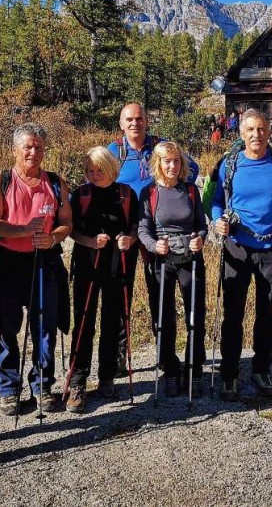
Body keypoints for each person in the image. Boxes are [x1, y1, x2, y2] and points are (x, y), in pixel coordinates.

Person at [0, 124, 71, 417]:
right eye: (28, 147)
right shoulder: (0, 180)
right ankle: (9, 389)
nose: (34, 152)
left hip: (44, 260)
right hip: (6, 261)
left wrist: (53, 237)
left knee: (45, 325)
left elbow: (65, 223)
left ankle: (43, 386)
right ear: (15, 150)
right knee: (5, 327)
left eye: (39, 147)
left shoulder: (56, 183)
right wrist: (23, 231)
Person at [211, 109, 272, 400]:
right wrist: (218, 220)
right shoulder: (229, 164)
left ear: (269, 131)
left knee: (266, 312)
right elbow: (213, 200)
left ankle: (261, 370)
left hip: (271, 247)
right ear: (241, 133)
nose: (256, 135)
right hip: (236, 245)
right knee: (233, 314)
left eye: (261, 129)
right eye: (250, 130)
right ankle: (230, 375)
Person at [106, 103, 198, 374]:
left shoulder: (161, 147)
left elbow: (192, 169)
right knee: (121, 296)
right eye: (130, 120)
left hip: (157, 233)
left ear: (147, 121)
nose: (135, 123)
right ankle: (119, 356)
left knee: (159, 296)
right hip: (125, 233)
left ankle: (164, 356)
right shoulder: (115, 152)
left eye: (140, 118)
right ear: (121, 124)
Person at [65, 146, 140, 413]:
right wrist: (89, 241)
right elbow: (70, 230)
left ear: (111, 169)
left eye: (99, 170)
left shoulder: (126, 194)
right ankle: (77, 381)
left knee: (113, 318)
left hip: (118, 264)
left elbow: (135, 225)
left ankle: (106, 377)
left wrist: (129, 238)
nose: (94, 175)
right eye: (89, 170)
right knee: (84, 320)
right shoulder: (80, 195)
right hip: (87, 262)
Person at [138, 142, 208, 397]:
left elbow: (201, 223)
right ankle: (170, 368)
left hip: (191, 258)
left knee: (195, 315)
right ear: (158, 163)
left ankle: (194, 369)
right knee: (163, 316)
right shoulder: (149, 193)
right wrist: (153, 245)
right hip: (161, 260)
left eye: (176, 161)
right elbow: (143, 227)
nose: (172, 165)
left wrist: (200, 238)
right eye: (167, 161)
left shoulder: (190, 190)